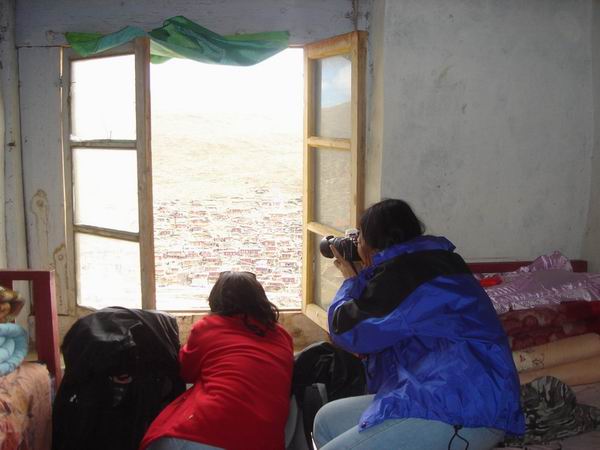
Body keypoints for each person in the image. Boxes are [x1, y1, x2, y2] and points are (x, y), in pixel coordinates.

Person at [313, 199, 525, 450]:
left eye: (360, 236)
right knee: (327, 420)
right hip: (442, 389)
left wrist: (351, 280)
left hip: (461, 408)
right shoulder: (432, 261)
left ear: (374, 242)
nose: (356, 243)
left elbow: (346, 330)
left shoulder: (403, 276)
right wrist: (366, 275)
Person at [140, 271, 294, 450]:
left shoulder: (209, 327)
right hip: (265, 441)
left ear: (216, 301)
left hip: (210, 431)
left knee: (156, 441)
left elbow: (185, 372)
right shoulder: (282, 335)